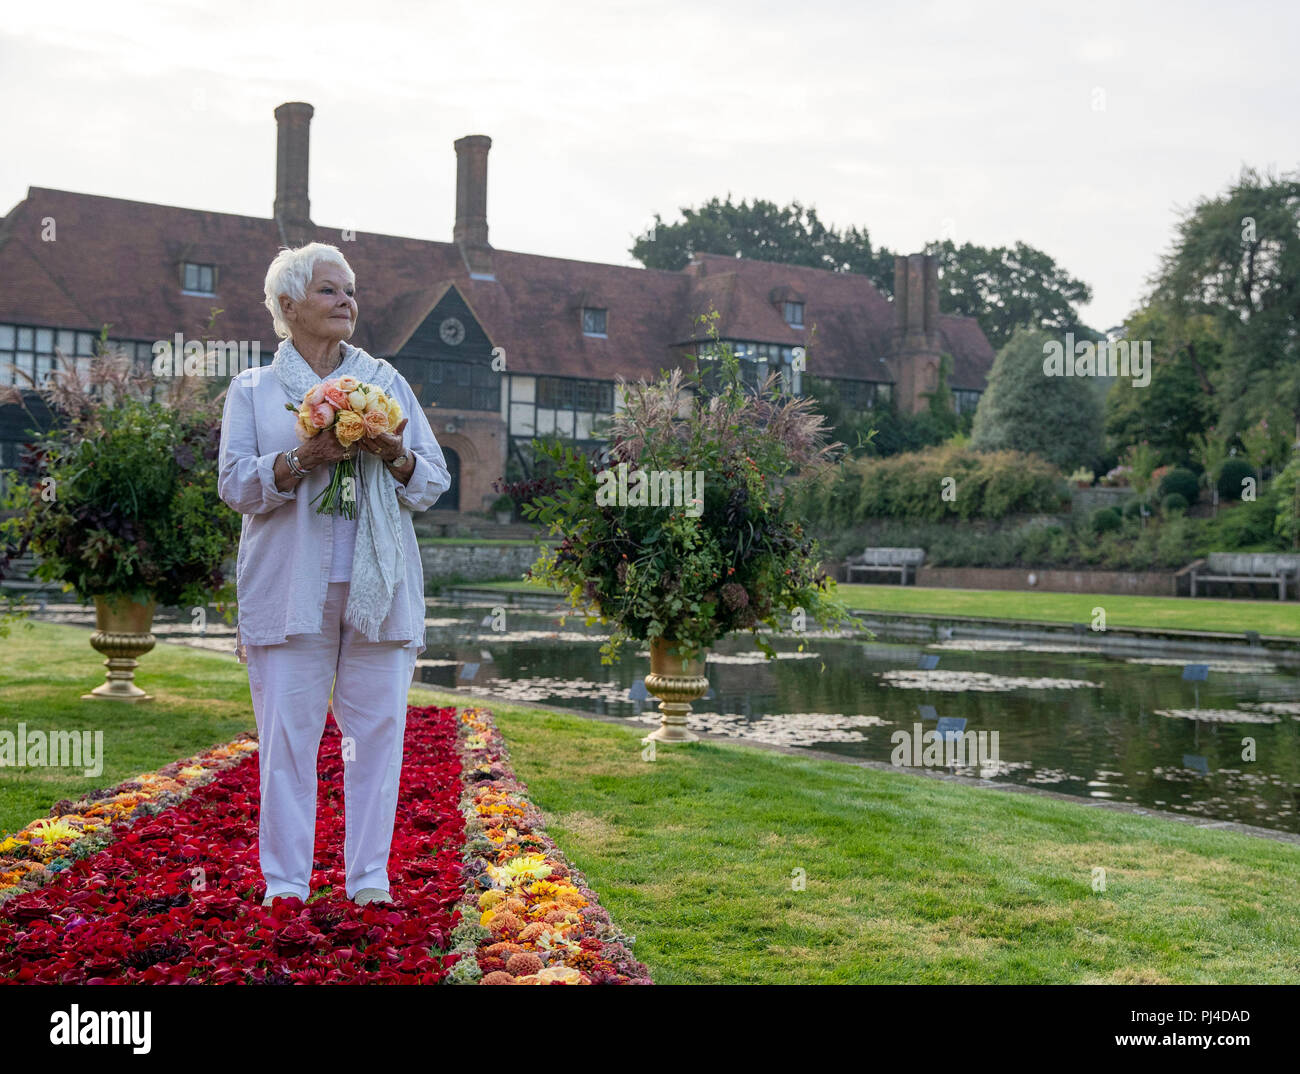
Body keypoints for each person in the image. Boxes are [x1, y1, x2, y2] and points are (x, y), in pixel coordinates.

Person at [217, 241, 451, 907]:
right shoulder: (253, 391)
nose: (347, 300)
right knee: (289, 740)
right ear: (287, 305)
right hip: (290, 587)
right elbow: (236, 484)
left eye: (350, 290)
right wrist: (300, 460)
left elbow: (433, 477)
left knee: (377, 734)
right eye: (329, 290)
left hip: (381, 585)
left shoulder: (389, 382)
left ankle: (369, 879)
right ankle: (286, 885)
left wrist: (393, 451)